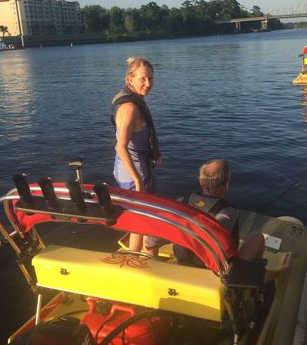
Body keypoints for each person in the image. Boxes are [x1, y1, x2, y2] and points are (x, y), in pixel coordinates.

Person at [145, 159, 265, 263]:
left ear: (200, 181)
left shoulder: (182, 202)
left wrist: (151, 247)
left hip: (185, 260)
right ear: (226, 185)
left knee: (151, 238)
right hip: (214, 268)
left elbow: (151, 241)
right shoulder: (228, 211)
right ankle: (246, 278)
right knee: (257, 237)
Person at [112, 57, 163, 251]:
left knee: (141, 219)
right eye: (143, 79)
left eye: (151, 78)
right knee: (143, 221)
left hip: (138, 169)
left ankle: (139, 254)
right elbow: (120, 147)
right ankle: (139, 257)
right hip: (134, 174)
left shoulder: (137, 101)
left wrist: (154, 154)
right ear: (130, 79)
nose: (148, 84)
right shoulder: (130, 108)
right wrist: (138, 180)